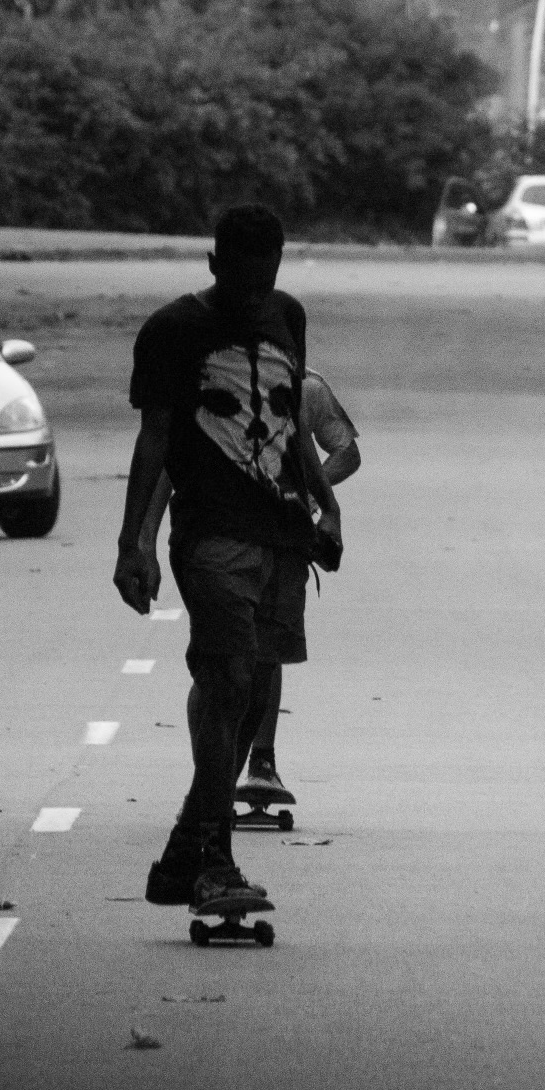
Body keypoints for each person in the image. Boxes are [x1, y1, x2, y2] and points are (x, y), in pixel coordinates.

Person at [114, 205, 342, 911]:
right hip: (212, 532)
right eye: (241, 281)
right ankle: (216, 859)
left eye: (265, 280)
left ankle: (188, 843)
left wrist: (324, 506)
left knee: (252, 697)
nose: (254, 296)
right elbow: (156, 441)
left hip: (282, 531)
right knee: (226, 680)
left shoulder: (287, 316)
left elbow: (285, 423)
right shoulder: (174, 331)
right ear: (214, 266)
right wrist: (134, 543)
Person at [235, 368, 361, 802]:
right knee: (223, 652)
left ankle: (261, 761)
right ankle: (216, 768)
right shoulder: (211, 379)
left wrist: (311, 499)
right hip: (222, 533)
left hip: (285, 540)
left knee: (268, 651)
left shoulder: (305, 387)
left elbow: (346, 452)